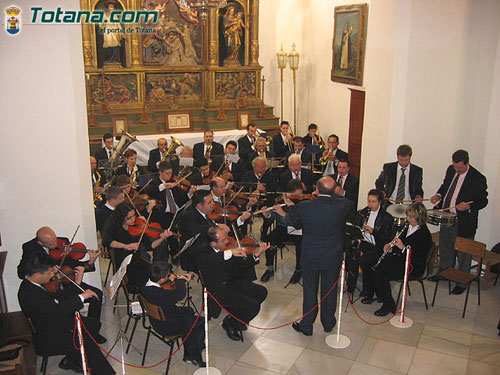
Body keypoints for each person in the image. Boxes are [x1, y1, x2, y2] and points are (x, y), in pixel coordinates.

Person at [18, 253, 115, 374]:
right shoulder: (30, 294)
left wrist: (78, 284)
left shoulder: (33, 284)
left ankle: (74, 358)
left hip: (53, 323)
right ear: (37, 275)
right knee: (86, 340)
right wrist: (81, 297)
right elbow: (58, 310)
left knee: (93, 325)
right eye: (49, 272)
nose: (53, 274)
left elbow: (58, 299)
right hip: (48, 337)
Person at [286, 177, 352, 336]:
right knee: (329, 290)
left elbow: (296, 224)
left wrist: (291, 208)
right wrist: (332, 193)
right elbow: (344, 199)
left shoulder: (304, 206)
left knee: (310, 290)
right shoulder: (342, 205)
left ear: (316, 190)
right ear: (334, 190)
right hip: (332, 255)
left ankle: (307, 325)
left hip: (310, 255)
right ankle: (328, 323)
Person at [428, 150, 488, 294]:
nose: (456, 170)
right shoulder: (451, 170)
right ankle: (444, 273)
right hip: (447, 216)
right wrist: (438, 195)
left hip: (464, 221)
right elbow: (445, 186)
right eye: (455, 167)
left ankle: (462, 282)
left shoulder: (478, 178)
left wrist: (469, 206)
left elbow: (483, 200)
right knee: (446, 247)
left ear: (467, 163)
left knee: (463, 252)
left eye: (459, 168)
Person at [197, 225, 270, 341]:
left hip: (233, 281)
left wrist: (257, 254)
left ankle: (236, 317)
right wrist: (230, 252)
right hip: (220, 289)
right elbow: (211, 259)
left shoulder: (227, 250)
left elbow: (239, 265)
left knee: (262, 292)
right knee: (253, 306)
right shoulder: (203, 252)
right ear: (213, 244)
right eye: (223, 240)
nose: (227, 241)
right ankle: (231, 323)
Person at [372, 203, 432, 316]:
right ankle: (383, 296)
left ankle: (388, 305)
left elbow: (417, 258)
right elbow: (398, 243)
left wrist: (403, 248)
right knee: (377, 268)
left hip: (413, 267)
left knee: (383, 275)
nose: (408, 219)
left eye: (411, 217)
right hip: (401, 260)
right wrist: (389, 247)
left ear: (419, 218)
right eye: (408, 216)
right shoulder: (407, 227)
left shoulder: (424, 235)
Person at [141, 262, 205, 367]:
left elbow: (163, 287)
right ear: (161, 279)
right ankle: (192, 356)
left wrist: (170, 278)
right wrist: (180, 280)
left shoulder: (146, 286)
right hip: (168, 326)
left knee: (188, 310)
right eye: (167, 275)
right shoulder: (159, 294)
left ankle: (191, 343)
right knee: (201, 322)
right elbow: (179, 295)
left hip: (158, 318)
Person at [102, 201, 173, 292]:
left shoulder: (137, 227)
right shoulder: (115, 228)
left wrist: (163, 237)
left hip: (138, 260)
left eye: (134, 215)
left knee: (158, 273)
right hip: (125, 264)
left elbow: (151, 245)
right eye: (129, 218)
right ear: (121, 218)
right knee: (151, 279)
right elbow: (107, 241)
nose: (133, 219)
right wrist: (125, 246)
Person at [146, 161, 195, 261]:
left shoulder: (173, 182)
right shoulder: (154, 183)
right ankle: (174, 251)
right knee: (169, 226)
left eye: (171, 173)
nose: (170, 176)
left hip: (177, 213)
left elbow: (183, 200)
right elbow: (149, 190)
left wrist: (190, 193)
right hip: (162, 215)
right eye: (167, 173)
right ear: (160, 173)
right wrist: (164, 186)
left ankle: (182, 252)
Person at [261, 179, 306, 284]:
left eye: (299, 194)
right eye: (295, 195)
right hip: (283, 228)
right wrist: (268, 215)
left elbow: (300, 222)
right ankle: (270, 268)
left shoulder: (305, 202)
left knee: (301, 244)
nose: (298, 198)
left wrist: (284, 215)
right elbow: (274, 216)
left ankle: (298, 270)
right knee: (269, 240)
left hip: (299, 230)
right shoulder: (282, 200)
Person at [355, 189, 394, 302]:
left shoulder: (386, 217)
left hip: (378, 247)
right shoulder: (362, 213)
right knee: (353, 258)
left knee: (365, 262)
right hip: (364, 244)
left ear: (380, 202)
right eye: (369, 201)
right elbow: (356, 227)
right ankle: (362, 289)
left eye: (373, 202)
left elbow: (386, 238)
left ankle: (370, 292)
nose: (370, 204)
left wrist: (373, 232)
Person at [98, 1, 125, 67]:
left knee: (116, 46)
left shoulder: (115, 16)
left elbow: (118, 25)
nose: (112, 8)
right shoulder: (105, 15)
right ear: (108, 8)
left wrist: (122, 33)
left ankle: (116, 60)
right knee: (109, 46)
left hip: (115, 33)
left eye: (113, 7)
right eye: (110, 7)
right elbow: (101, 25)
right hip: (108, 32)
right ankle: (109, 60)